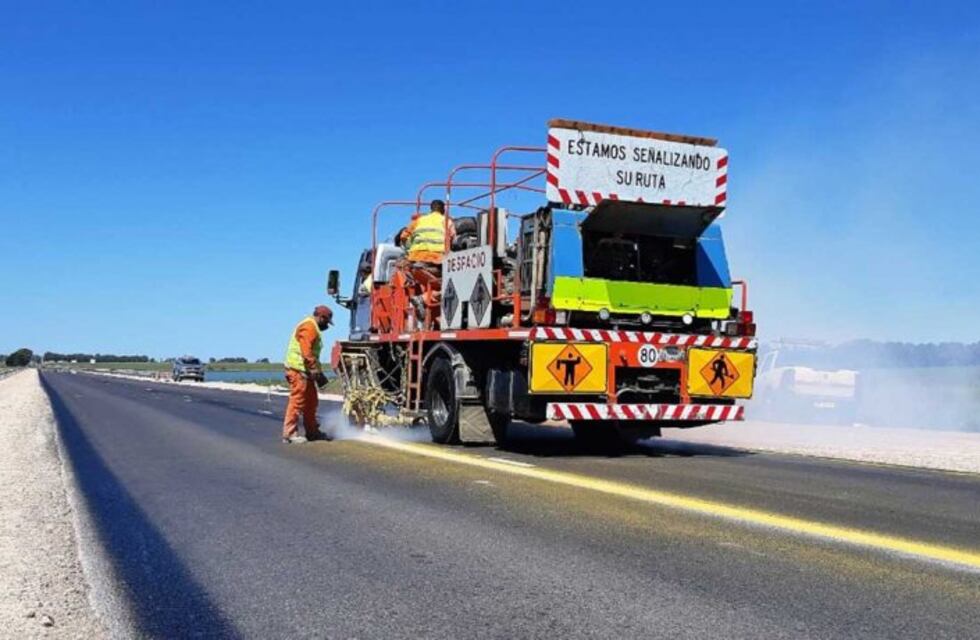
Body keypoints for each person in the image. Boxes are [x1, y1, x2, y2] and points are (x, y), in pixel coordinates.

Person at [282, 305, 333, 443]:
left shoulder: (312, 327)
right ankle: (290, 434)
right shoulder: (309, 327)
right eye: (326, 322)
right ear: (321, 317)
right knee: (297, 401)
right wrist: (314, 369)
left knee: (311, 402)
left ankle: (312, 432)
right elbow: (306, 351)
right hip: (298, 370)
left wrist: (317, 372)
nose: (326, 326)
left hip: (306, 371)